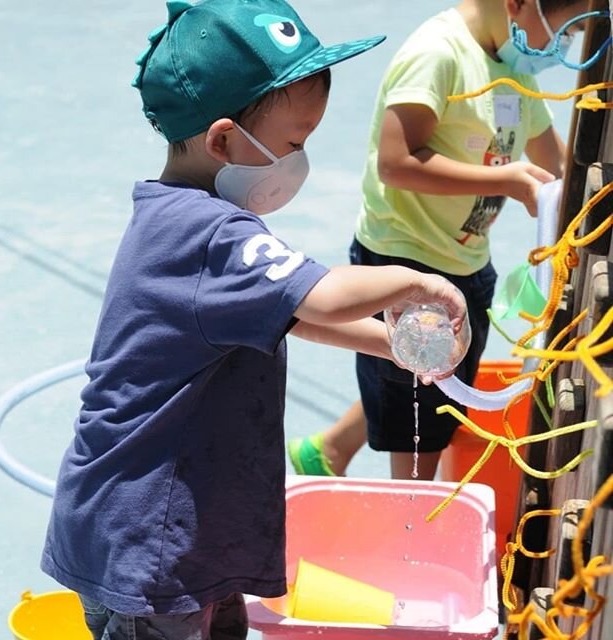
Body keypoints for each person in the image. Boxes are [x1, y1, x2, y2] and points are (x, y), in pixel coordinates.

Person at [40, 1, 469, 638]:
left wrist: (390, 344)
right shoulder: (209, 233)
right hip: (151, 540)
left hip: (175, 533)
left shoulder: (180, 219)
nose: (300, 158)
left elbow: (287, 311)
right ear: (221, 140)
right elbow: (319, 296)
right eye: (294, 142)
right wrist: (415, 281)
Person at [287, 0, 591, 481]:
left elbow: (556, 162)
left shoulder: (510, 71)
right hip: (406, 261)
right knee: (422, 420)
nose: (564, 50)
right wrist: (503, 181)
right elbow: (395, 162)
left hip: (466, 257)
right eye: (563, 33)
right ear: (517, 4)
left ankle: (329, 448)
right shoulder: (438, 56)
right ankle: (412, 523)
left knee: (427, 376)